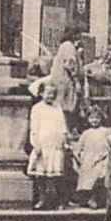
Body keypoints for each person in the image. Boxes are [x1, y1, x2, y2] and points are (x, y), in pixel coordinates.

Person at [26, 79, 70, 209]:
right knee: (41, 175)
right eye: (47, 93)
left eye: (53, 94)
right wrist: (36, 144)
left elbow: (62, 125)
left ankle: (58, 201)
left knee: (56, 175)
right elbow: (34, 128)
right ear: (41, 94)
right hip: (43, 144)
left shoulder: (58, 108)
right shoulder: (37, 108)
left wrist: (64, 140)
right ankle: (42, 199)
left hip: (56, 144)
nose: (50, 96)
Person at [73, 106, 111, 210]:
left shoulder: (106, 131)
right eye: (91, 118)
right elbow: (79, 146)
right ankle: (87, 198)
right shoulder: (86, 133)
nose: (94, 120)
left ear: (101, 119)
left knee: (99, 177)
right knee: (87, 179)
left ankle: (96, 198)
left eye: (97, 118)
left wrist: (109, 154)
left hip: (102, 158)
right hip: (89, 159)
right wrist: (78, 156)